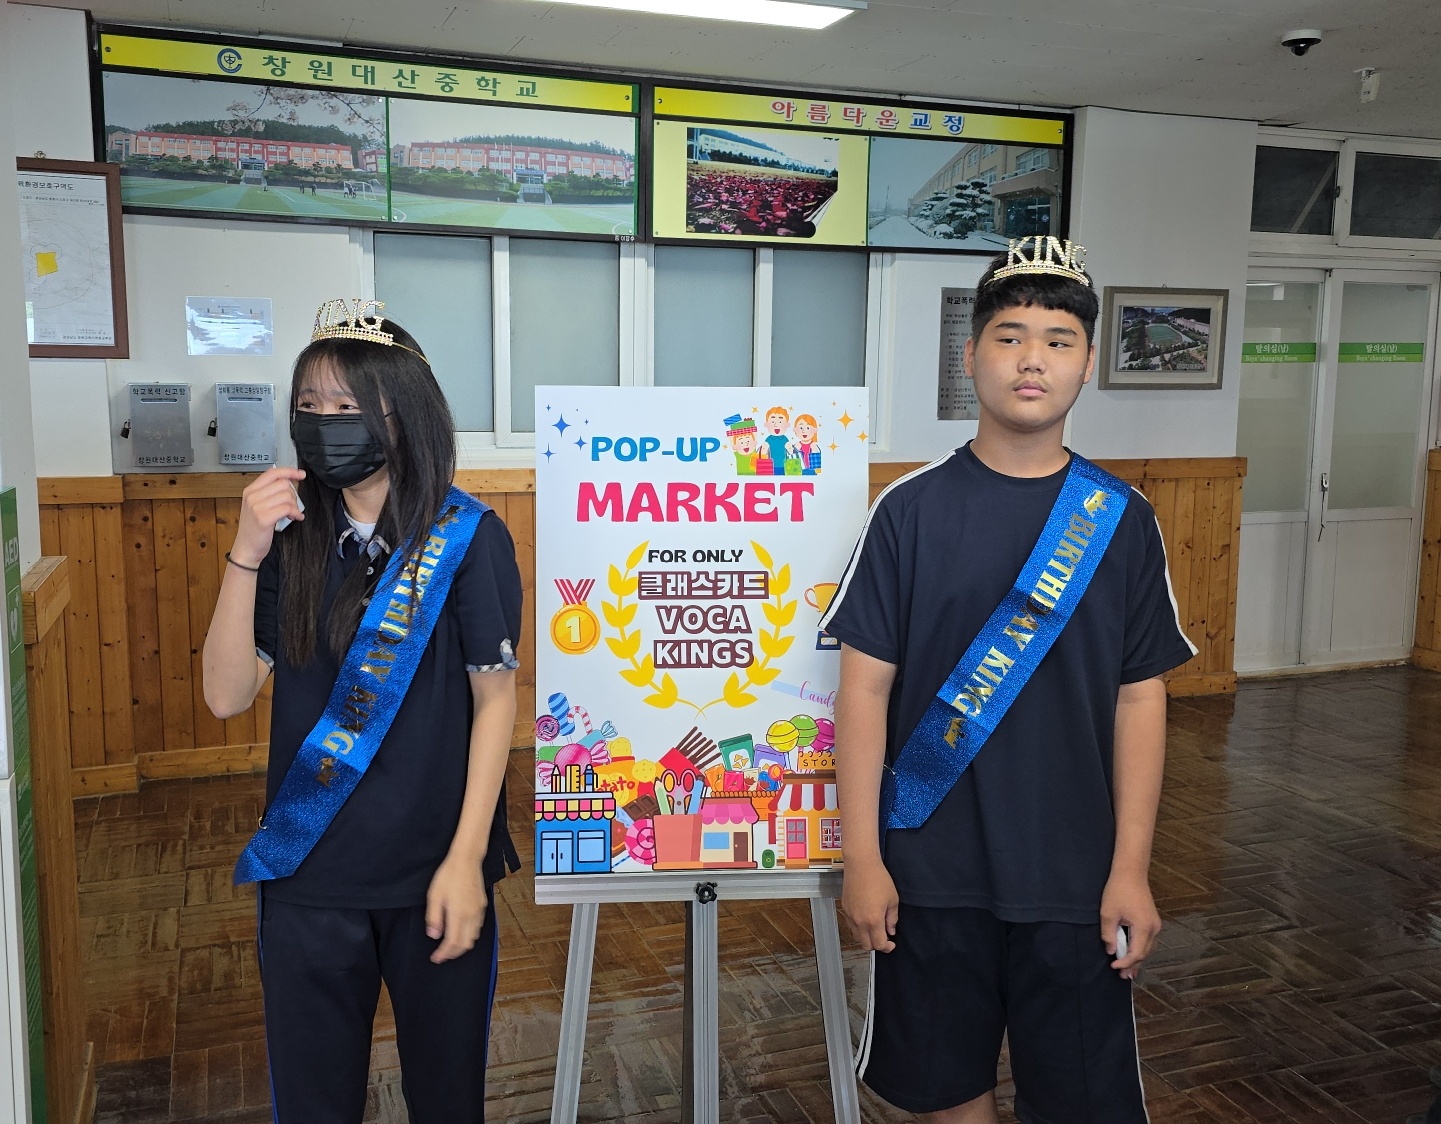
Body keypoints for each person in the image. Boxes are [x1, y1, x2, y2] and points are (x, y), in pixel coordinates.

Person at [822, 237, 1195, 1123]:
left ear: (1087, 363)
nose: (1033, 359)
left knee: (1078, 1100)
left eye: (1058, 340)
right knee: (948, 1095)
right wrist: (863, 860)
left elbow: (1139, 697)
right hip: (929, 873)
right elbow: (862, 691)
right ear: (970, 356)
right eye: (1009, 336)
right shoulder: (907, 512)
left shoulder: (1122, 520)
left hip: (1077, 878)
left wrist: (1131, 869)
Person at [202, 299, 522, 1124]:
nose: (324, 423)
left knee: (446, 1100)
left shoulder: (469, 537)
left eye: (347, 405)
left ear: (402, 414)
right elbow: (225, 695)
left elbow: (494, 703)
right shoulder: (290, 538)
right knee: (315, 1104)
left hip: (434, 874)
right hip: (307, 877)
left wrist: (466, 859)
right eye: (309, 405)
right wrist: (246, 550)